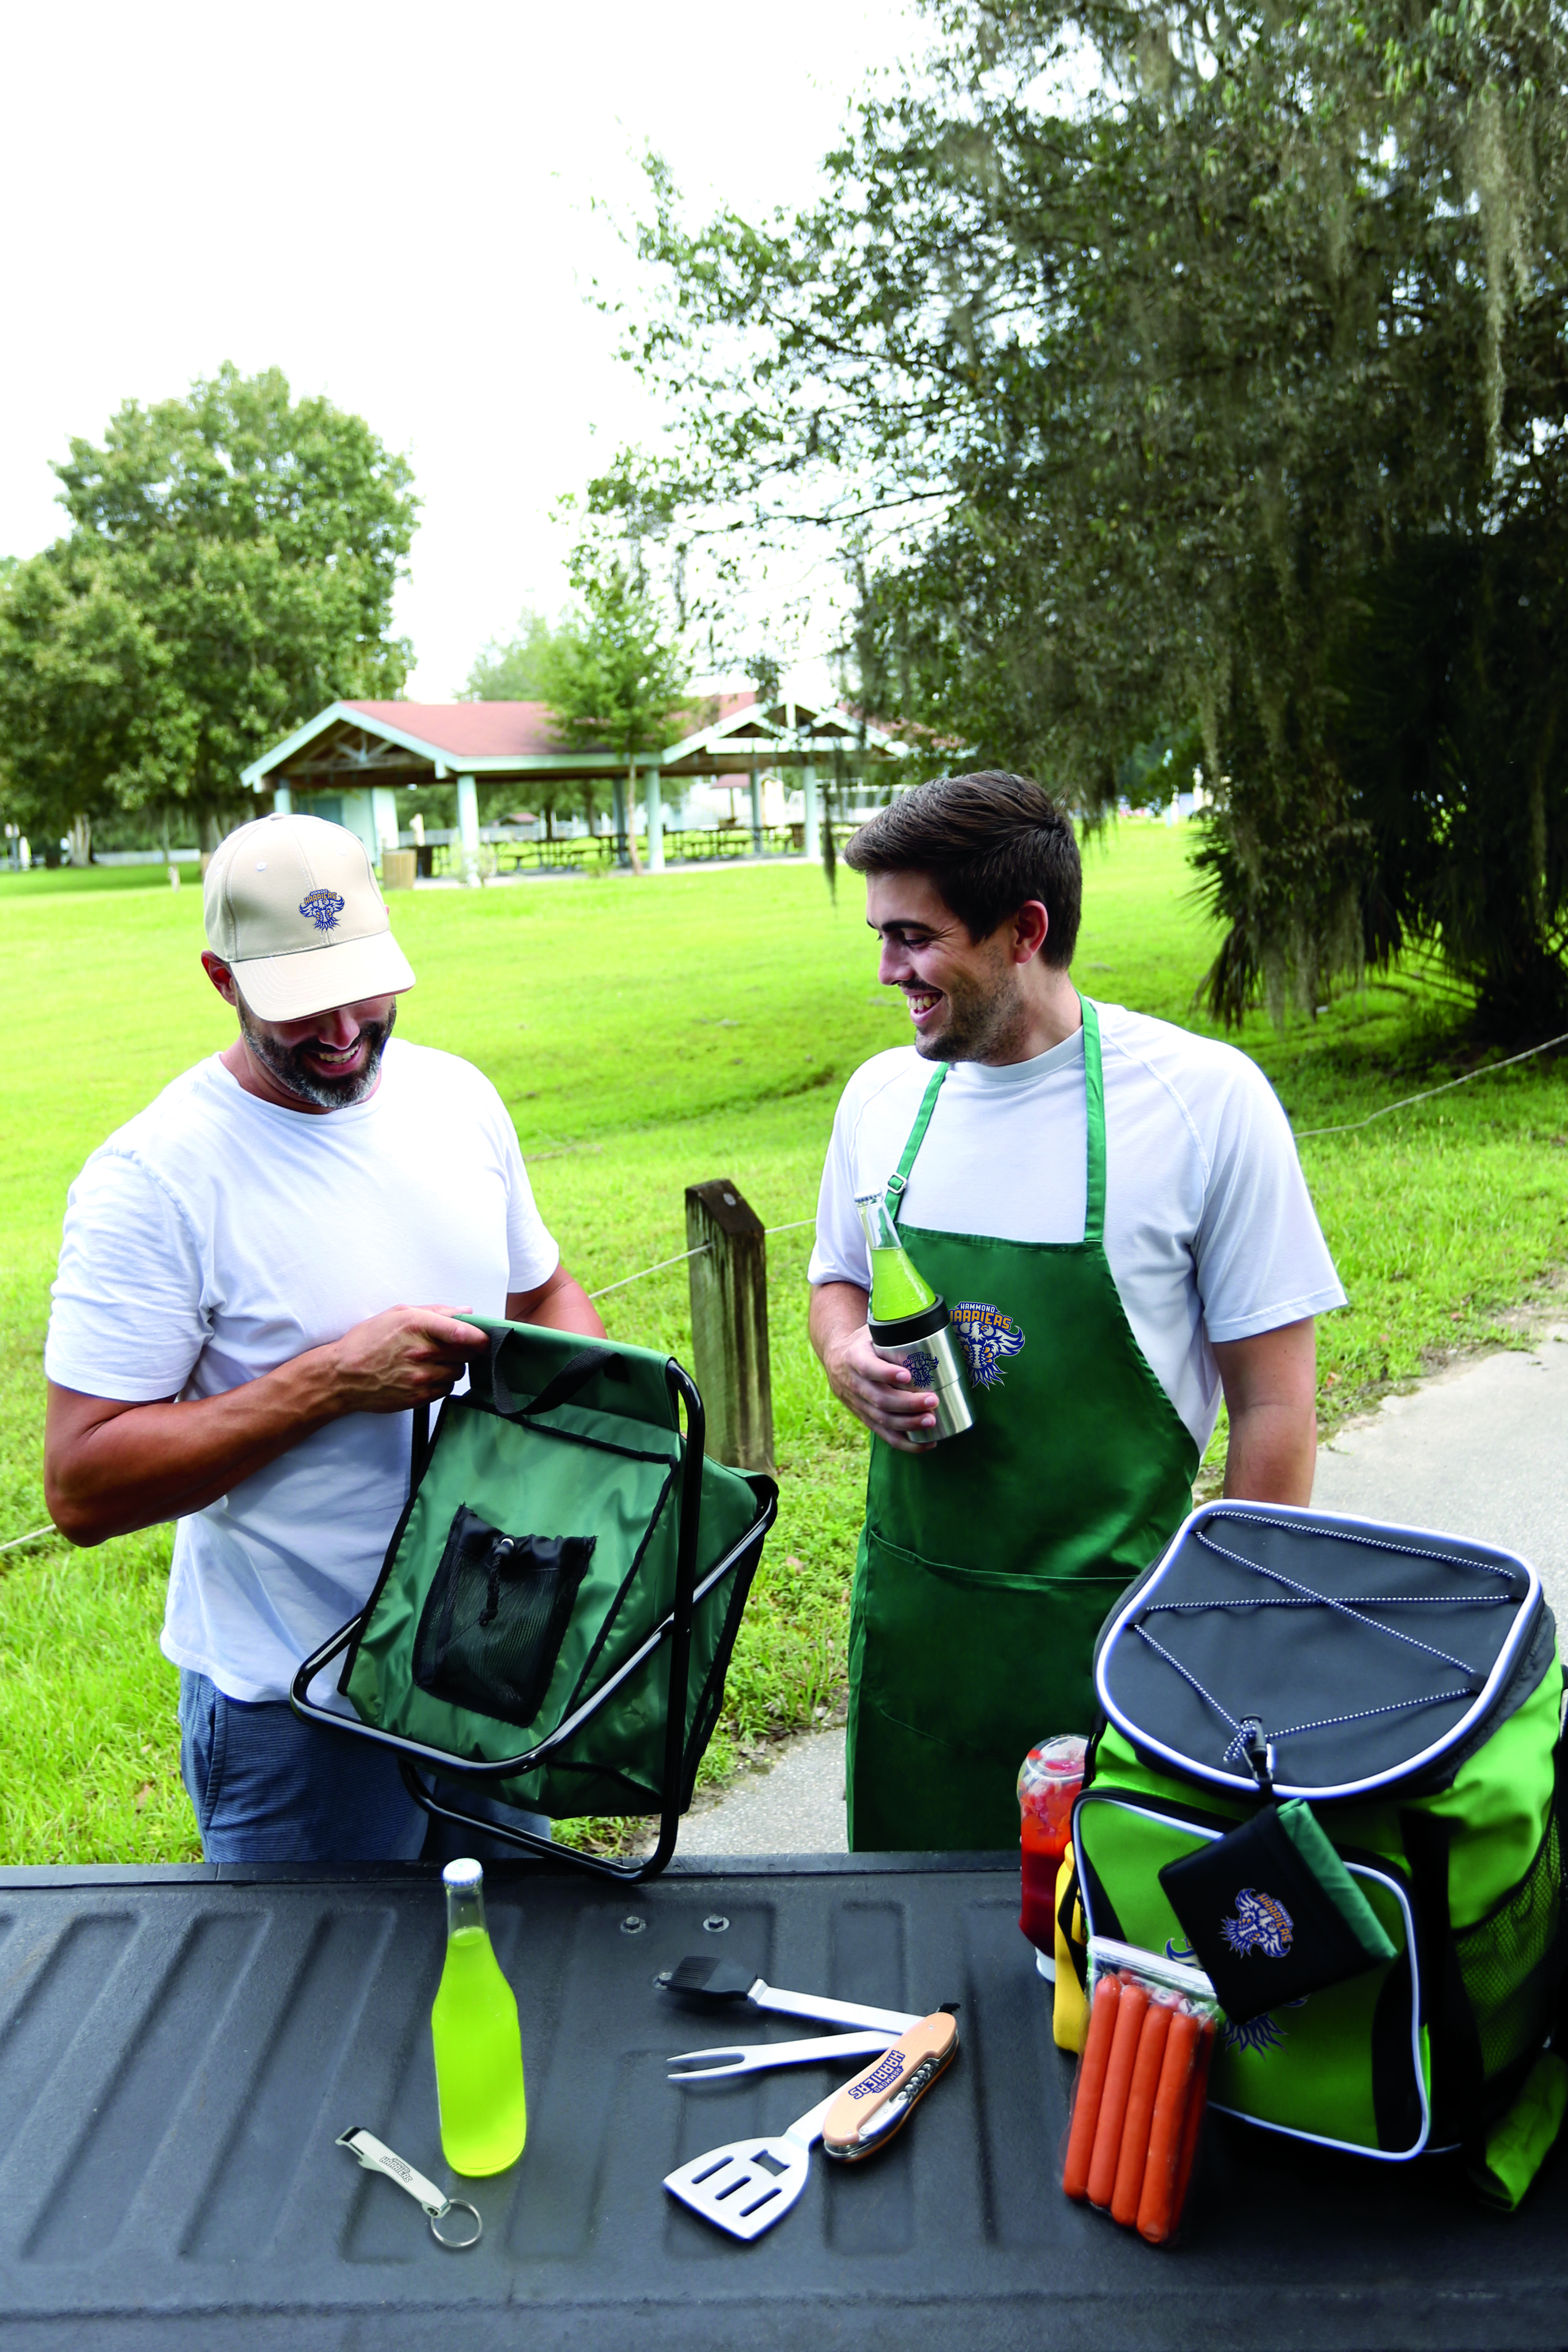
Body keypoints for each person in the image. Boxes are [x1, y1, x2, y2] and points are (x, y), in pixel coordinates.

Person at [43, 810, 605, 1863]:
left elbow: (548, 1294)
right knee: (311, 2021)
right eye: (303, 1003)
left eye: (365, 988)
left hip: (491, 1664)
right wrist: (331, 1382)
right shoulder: (154, 1178)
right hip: (295, 1719)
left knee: (513, 1991)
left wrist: (571, 1443)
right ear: (223, 977)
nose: (344, 1029)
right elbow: (81, 1486)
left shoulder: (456, 1097)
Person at [808, 773, 1346, 1851]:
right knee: (912, 1970)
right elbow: (837, 1280)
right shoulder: (880, 1097)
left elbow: (1276, 1404)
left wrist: (1217, 1636)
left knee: (1098, 1991)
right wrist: (840, 1353)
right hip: (922, 1646)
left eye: (913, 937)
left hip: (1117, 1653)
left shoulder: (1204, 1101)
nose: (886, 972)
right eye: (879, 935)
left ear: (1025, 931)